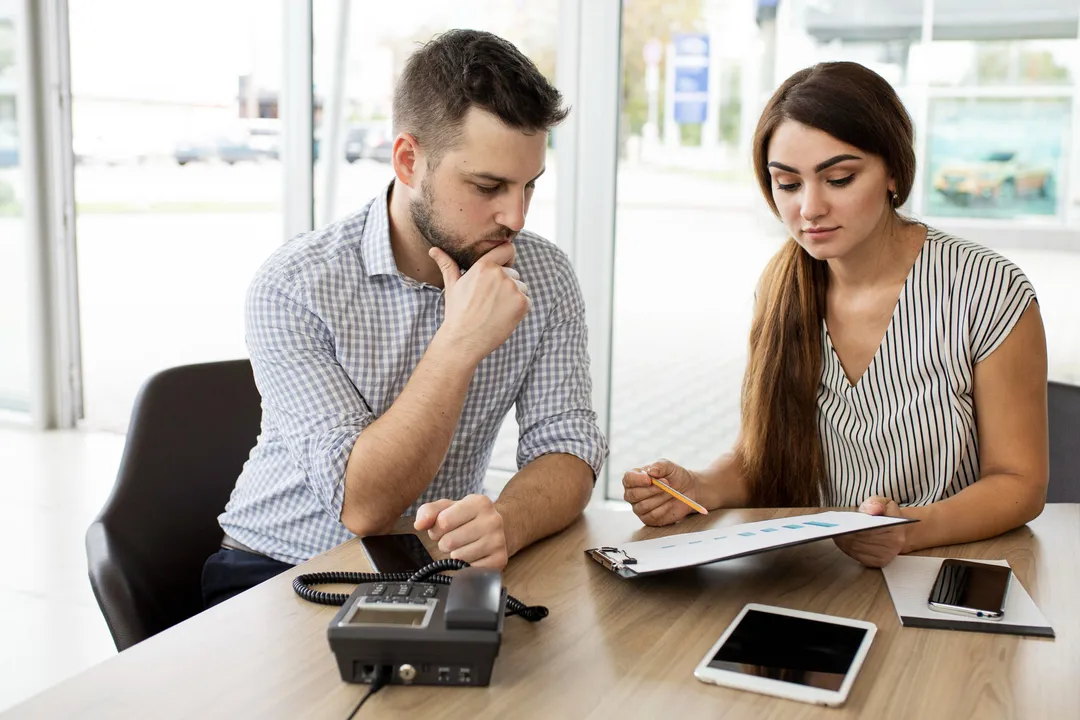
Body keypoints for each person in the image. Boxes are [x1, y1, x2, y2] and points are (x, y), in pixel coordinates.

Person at [202, 30, 608, 607]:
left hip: (428, 571)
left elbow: (568, 446)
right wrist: (459, 341)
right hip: (275, 568)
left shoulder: (543, 275)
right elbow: (363, 506)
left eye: (529, 186)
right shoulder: (294, 285)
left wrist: (506, 523)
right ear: (408, 160)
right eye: (488, 186)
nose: (515, 216)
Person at [623, 62, 1048, 568]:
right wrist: (697, 486)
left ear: (893, 171)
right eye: (787, 184)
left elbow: (1020, 484)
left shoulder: (988, 288)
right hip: (822, 574)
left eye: (839, 178)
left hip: (952, 569)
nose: (810, 208)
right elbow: (755, 458)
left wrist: (908, 530)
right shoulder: (780, 288)